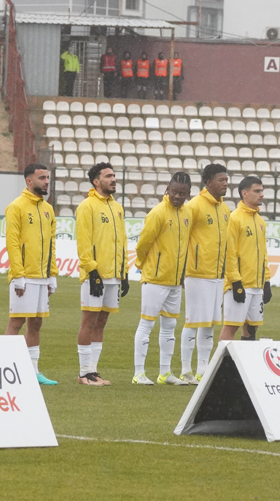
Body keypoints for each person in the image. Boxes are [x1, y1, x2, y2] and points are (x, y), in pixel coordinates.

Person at [131, 172, 193, 385]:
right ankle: (138, 373)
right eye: (174, 192)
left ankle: (165, 373)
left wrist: (181, 273)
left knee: (169, 327)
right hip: (155, 279)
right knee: (146, 325)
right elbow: (142, 244)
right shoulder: (157, 212)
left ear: (188, 194)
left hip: (175, 281)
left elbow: (184, 246)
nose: (177, 196)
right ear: (167, 188)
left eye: (182, 193)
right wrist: (145, 266)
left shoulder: (187, 213)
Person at [4, 163, 58, 385]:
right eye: (42, 178)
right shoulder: (16, 207)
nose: (46, 181)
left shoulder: (48, 209)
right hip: (24, 276)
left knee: (36, 323)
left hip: (42, 276)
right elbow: (13, 243)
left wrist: (52, 274)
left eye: (47, 178)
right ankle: (5, 367)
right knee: (16, 323)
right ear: (29, 181)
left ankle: (33, 371)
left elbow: (51, 244)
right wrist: (18, 274)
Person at [75, 162, 127, 386]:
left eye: (114, 175)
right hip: (95, 274)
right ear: (96, 182)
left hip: (113, 274)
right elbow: (84, 242)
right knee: (89, 320)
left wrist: (123, 272)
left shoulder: (117, 207)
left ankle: (93, 371)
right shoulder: (87, 206)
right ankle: (83, 372)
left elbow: (122, 241)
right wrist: (92, 270)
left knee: (102, 322)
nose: (113, 179)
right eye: (108, 176)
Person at [179, 164, 232, 383]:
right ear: (208, 182)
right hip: (196, 273)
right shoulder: (193, 206)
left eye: (226, 180)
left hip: (217, 275)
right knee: (193, 322)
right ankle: (185, 369)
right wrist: (182, 270)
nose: (225, 184)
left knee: (210, 323)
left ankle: (203, 369)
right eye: (221, 180)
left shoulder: (226, 209)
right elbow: (182, 239)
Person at [221, 176, 272, 342]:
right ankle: (222, 367)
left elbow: (263, 255)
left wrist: (266, 282)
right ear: (245, 193)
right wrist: (235, 282)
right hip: (240, 284)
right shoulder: (234, 218)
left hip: (257, 285)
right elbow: (229, 253)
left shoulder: (260, 221)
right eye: (257, 191)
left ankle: (242, 367)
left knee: (251, 327)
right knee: (231, 326)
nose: (261, 194)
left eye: (262, 191)